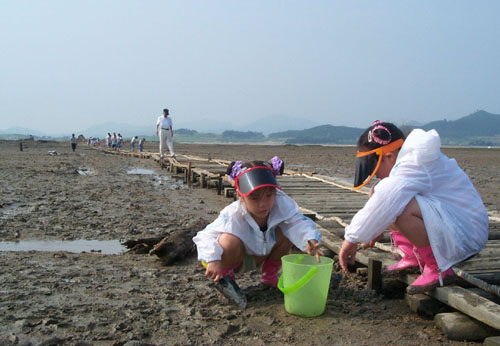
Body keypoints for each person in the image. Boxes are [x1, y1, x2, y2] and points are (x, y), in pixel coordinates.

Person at [339, 121, 489, 294]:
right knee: (378, 192)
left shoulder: (415, 161)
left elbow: (387, 199)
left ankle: (437, 267)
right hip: (455, 223)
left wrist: (351, 239)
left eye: (376, 168)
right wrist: (374, 229)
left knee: (397, 205)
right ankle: (413, 256)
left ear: (389, 156)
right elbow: (382, 197)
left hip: (468, 234)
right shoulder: (408, 161)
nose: (376, 174)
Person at [193, 157, 323, 288]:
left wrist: (310, 237)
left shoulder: (280, 205)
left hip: (262, 255)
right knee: (228, 240)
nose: (263, 204)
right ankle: (227, 277)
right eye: (254, 198)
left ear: (276, 192)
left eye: (269, 195)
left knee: (287, 230)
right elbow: (204, 236)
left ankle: (269, 275)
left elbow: (297, 221)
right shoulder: (233, 214)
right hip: (236, 260)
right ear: (241, 197)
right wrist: (213, 259)